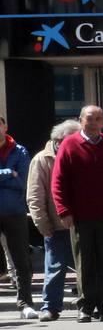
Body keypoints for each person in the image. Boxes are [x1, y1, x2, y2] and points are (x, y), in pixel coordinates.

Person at [52, 104, 103, 322]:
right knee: (85, 263)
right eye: (89, 119)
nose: (94, 123)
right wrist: (63, 210)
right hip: (80, 216)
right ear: (81, 120)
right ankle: (85, 307)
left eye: (98, 119)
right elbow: (58, 180)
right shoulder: (69, 144)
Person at [26, 119, 80, 321]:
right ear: (59, 140)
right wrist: (42, 223)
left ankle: (87, 304)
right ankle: (50, 306)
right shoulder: (42, 159)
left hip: (82, 223)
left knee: (87, 267)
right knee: (55, 267)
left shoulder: (78, 154)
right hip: (56, 226)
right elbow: (34, 195)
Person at [0, 114, 37, 319]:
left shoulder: (19, 150)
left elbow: (23, 181)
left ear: (5, 126)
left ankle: (25, 303)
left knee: (21, 259)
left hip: (14, 211)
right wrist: (8, 173)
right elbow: (14, 176)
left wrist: (13, 176)